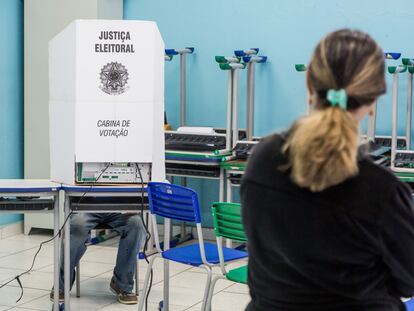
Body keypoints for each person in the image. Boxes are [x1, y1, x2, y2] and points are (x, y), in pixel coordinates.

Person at [241, 29, 414, 311]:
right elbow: (409, 280)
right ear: (373, 101)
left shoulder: (263, 160)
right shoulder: (381, 189)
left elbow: (259, 255)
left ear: (309, 84)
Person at [51, 212, 146, 305]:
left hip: (120, 210)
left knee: (136, 224)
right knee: (78, 224)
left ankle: (122, 284)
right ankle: (62, 284)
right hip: (86, 209)